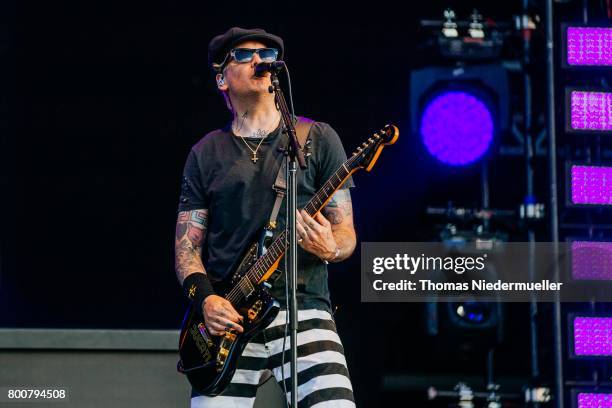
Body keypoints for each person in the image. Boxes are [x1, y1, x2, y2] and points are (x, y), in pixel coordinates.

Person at [175, 27, 357, 408]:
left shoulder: (318, 138)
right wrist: (207, 301)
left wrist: (331, 246)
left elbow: (345, 234)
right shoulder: (205, 153)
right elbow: (187, 249)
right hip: (229, 320)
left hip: (304, 307)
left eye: (267, 52)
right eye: (244, 55)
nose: (259, 59)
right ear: (221, 78)